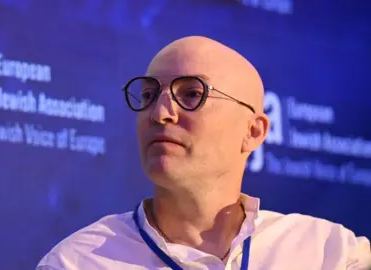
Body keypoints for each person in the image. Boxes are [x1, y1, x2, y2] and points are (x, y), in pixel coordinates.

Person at [37, 36, 371, 270]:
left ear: (253, 132)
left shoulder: (328, 253)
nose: (160, 113)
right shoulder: (77, 262)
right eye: (149, 95)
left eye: (192, 94)